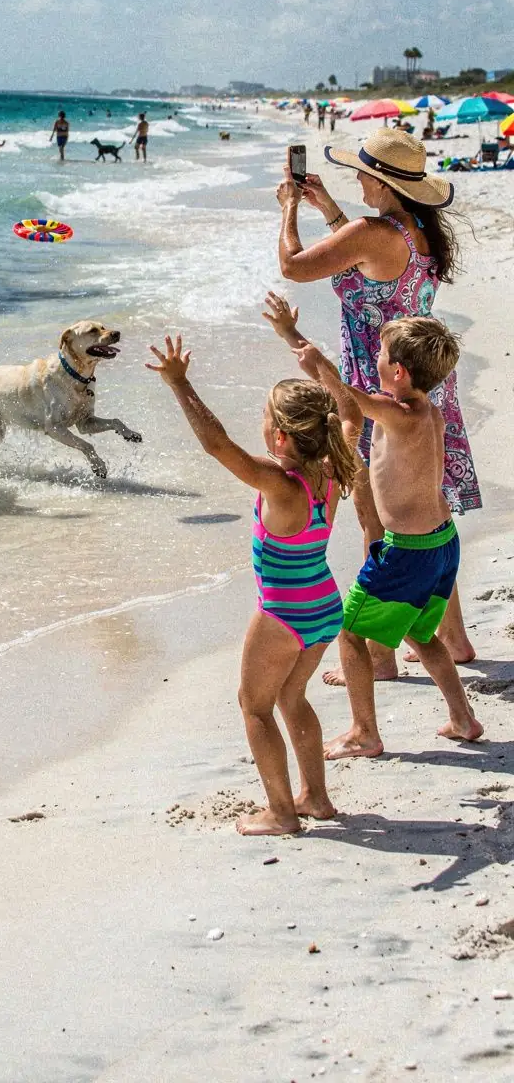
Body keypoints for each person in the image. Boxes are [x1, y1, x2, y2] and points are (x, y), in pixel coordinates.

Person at [276, 129, 479, 678]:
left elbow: (294, 266)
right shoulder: (416, 230)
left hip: (380, 389)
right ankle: (453, 638)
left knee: (378, 516)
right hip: (426, 383)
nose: (358, 179)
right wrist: (329, 209)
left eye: (363, 174)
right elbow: (369, 262)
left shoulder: (373, 231)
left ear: (382, 183)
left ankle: (381, 655)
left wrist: (288, 210)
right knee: (428, 512)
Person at [147, 313, 359, 837]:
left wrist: (180, 384)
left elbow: (219, 446)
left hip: (283, 613)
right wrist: (317, 365)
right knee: (293, 698)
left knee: (255, 707)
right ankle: (316, 798)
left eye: (266, 420)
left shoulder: (279, 484)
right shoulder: (333, 467)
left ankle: (282, 813)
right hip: (324, 605)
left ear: (280, 436)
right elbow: (350, 414)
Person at [294, 318, 483, 757]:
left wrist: (320, 364)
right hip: (441, 541)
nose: (374, 361)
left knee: (351, 632)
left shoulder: (398, 417)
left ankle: (364, 732)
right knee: (418, 631)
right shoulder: (427, 411)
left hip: (407, 552)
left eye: (380, 356)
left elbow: (350, 399)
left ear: (398, 371)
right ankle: (463, 718)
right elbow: (362, 401)